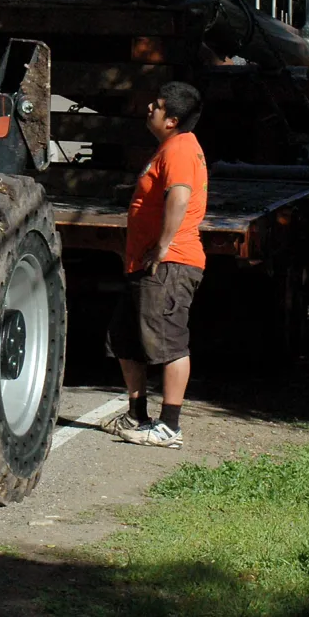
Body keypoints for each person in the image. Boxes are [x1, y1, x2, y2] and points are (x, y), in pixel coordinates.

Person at [102, 81, 207, 449]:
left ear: (172, 120)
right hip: (145, 265)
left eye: (158, 105)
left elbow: (179, 196)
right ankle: (136, 414)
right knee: (126, 338)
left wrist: (162, 246)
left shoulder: (179, 148)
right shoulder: (168, 147)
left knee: (169, 344)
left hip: (171, 264)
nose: (150, 108)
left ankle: (170, 426)